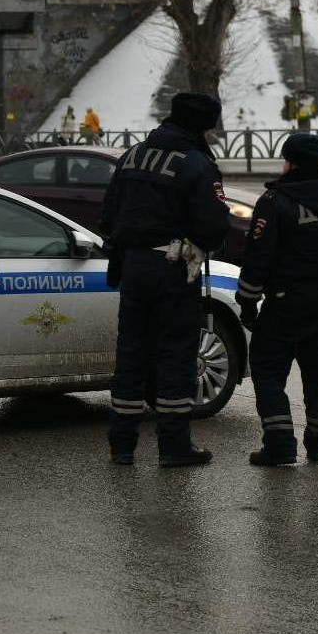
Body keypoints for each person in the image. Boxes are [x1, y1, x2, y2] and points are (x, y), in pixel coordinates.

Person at [100, 92, 232, 468]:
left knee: (131, 354)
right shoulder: (195, 164)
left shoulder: (133, 156)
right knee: (175, 354)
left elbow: (108, 213)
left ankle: (121, 444)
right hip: (174, 268)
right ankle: (174, 446)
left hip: (133, 266)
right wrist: (202, 243)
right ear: (202, 126)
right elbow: (213, 224)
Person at [237, 133, 318, 466]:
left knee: (267, 369)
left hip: (284, 304)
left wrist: (247, 303)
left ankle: (279, 443)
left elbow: (257, 260)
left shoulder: (276, 202)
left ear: (290, 162)